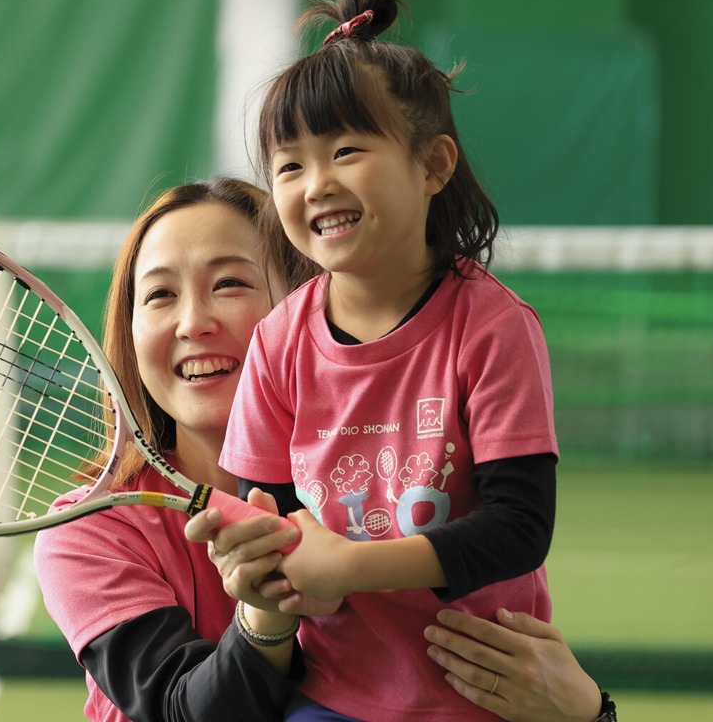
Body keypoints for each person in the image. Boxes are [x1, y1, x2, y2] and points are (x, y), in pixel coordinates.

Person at [33, 176, 615, 721]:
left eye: (230, 283)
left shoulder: (399, 506)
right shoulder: (88, 535)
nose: (193, 323)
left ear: (307, 304)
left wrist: (587, 713)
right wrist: (267, 614)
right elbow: (183, 710)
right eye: (159, 294)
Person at [214, 0, 560, 719]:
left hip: (483, 693)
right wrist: (259, 559)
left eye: (345, 151)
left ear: (433, 165)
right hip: (331, 694)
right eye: (289, 166)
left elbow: (519, 529)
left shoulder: (493, 327)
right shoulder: (277, 342)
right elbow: (271, 514)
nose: (316, 184)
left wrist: (350, 567)